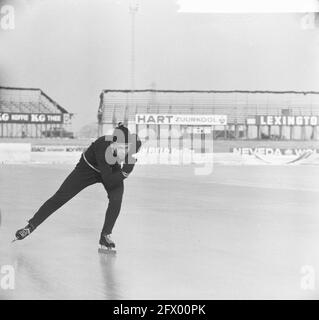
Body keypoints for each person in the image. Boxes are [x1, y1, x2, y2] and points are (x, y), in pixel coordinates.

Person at [14, 123, 142, 250]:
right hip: (87, 169)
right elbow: (109, 181)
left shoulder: (130, 147)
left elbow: (130, 153)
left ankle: (105, 235)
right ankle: (30, 226)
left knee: (116, 200)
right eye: (122, 148)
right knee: (60, 197)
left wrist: (126, 165)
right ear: (113, 143)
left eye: (127, 148)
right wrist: (125, 173)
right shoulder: (102, 146)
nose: (125, 151)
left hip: (111, 169)